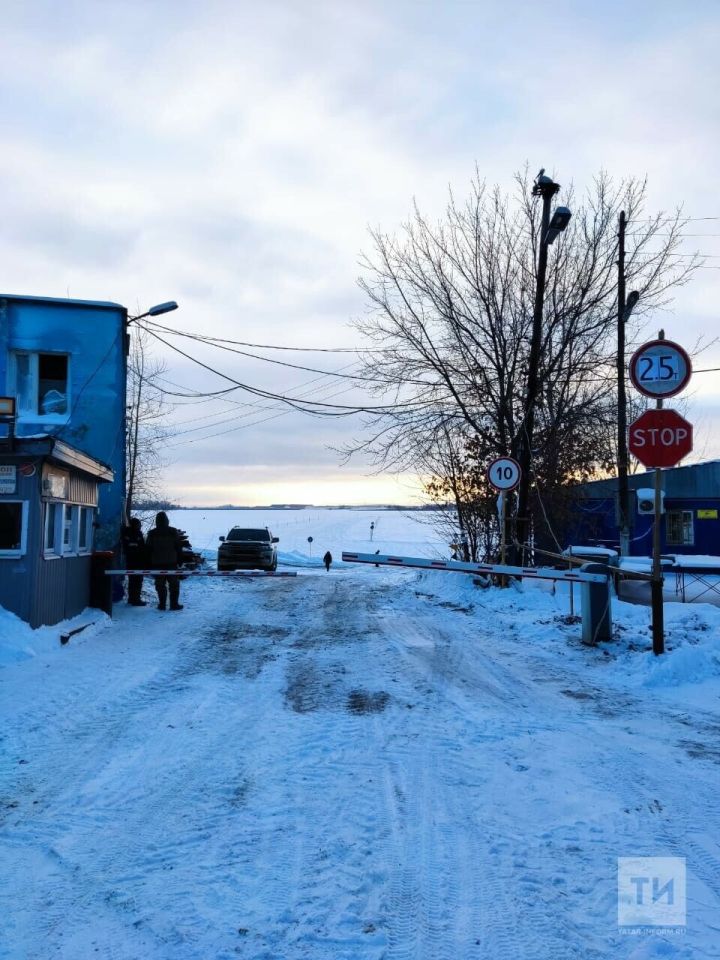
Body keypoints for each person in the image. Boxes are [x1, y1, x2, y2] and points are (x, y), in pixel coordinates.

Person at [146, 511, 184, 611]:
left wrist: (148, 563)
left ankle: (162, 605)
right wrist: (180, 560)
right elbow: (178, 547)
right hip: (172, 563)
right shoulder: (173, 531)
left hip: (157, 564)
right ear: (167, 520)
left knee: (160, 586)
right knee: (174, 585)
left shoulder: (152, 533)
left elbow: (148, 549)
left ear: (156, 521)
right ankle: (174, 604)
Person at [121, 517, 147, 606]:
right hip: (137, 561)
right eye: (139, 525)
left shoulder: (126, 533)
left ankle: (132, 598)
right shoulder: (136, 534)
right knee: (137, 580)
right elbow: (142, 547)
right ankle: (135, 599)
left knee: (133, 580)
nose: (140, 526)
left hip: (130, 560)